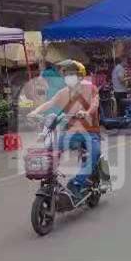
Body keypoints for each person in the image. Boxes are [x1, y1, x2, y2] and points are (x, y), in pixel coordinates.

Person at [29, 60, 101, 198]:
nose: (68, 77)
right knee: (52, 148)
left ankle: (77, 183)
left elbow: (95, 104)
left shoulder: (90, 88)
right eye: (66, 74)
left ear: (80, 76)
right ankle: (50, 178)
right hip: (71, 133)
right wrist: (35, 112)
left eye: (71, 74)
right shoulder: (63, 92)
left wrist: (87, 113)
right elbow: (50, 103)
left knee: (95, 153)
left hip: (90, 132)